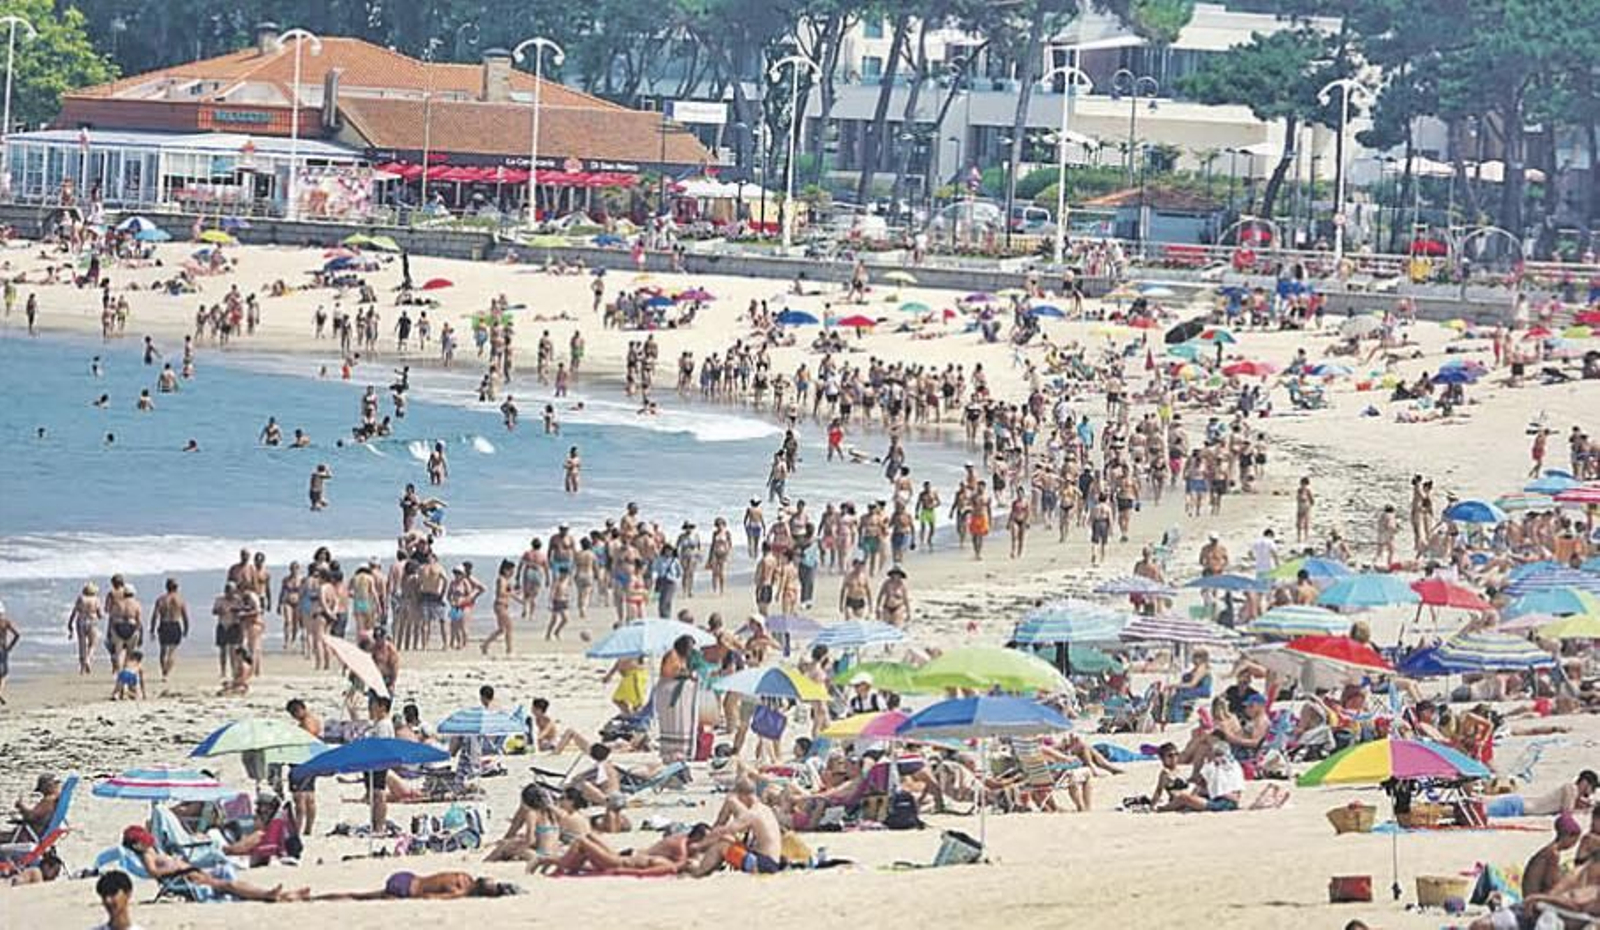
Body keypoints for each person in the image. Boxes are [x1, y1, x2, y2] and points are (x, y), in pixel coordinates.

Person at [120, 825, 304, 901]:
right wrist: (174, 866)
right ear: (137, 844)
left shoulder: (150, 851)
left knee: (231, 883)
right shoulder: (146, 856)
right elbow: (153, 872)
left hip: (190, 874)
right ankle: (268, 895)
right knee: (229, 884)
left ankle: (281, 894)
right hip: (187, 879)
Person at [682, 779, 785, 876]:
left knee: (721, 846)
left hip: (762, 865)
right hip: (771, 862)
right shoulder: (765, 809)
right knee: (727, 840)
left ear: (743, 796)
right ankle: (708, 868)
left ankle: (699, 872)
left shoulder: (752, 813)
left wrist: (699, 845)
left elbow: (724, 831)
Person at [1160, 739, 1244, 812]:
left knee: (1183, 798)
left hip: (1219, 803)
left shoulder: (1213, 766)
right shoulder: (1235, 765)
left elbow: (1199, 787)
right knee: (1187, 798)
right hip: (1230, 802)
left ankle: (1162, 809)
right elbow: (1237, 793)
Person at [310, 871, 518, 900]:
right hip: (405, 889)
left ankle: (317, 897)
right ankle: (315, 898)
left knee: (359, 895)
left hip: (406, 876)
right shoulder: (459, 891)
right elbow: (428, 898)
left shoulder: (462, 875)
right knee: (359, 897)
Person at [1487, 770, 1598, 818]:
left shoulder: (1573, 792)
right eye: (1592, 787)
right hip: (1517, 806)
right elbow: (1567, 812)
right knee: (1479, 813)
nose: (1593, 792)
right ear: (1585, 783)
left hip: (1517, 806)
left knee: (1479, 812)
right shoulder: (1571, 788)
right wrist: (1585, 810)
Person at [0, 599, 17, 704]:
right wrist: (10, 646)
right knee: (3, 673)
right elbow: (17, 635)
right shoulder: (5, 622)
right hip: (3, 649)